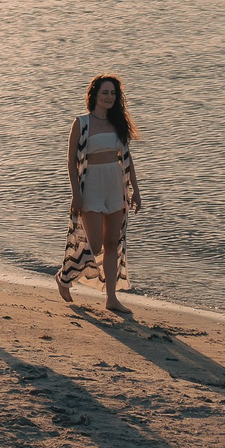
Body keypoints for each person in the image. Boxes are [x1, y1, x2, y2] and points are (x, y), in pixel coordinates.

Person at [55, 75, 141, 318]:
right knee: (93, 245)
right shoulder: (81, 123)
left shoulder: (118, 123)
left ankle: (111, 298)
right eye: (105, 93)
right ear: (94, 95)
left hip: (116, 187)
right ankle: (65, 277)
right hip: (91, 186)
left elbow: (127, 158)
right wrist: (76, 195)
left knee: (113, 243)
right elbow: (71, 162)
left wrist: (135, 190)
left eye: (113, 93)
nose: (109, 97)